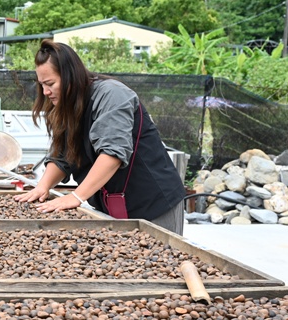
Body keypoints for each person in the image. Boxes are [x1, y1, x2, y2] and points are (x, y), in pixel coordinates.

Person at [14, 40, 187, 234]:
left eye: (50, 84)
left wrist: (76, 197)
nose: (45, 92)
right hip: (111, 205)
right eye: (42, 85)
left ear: (70, 76)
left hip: (153, 202)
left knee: (160, 259)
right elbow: (62, 156)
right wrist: (42, 187)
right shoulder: (68, 104)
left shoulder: (112, 95)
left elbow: (112, 154)